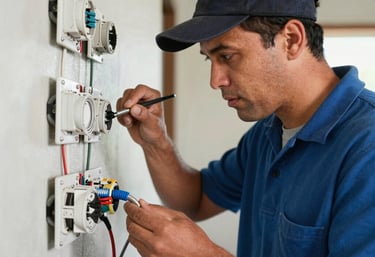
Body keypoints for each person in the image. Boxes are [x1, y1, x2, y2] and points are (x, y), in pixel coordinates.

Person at [117, 0, 375, 256]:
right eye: (210, 60)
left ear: (292, 40)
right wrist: (155, 141)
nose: (215, 81)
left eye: (227, 56)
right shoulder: (267, 133)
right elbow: (195, 200)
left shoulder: (367, 146)